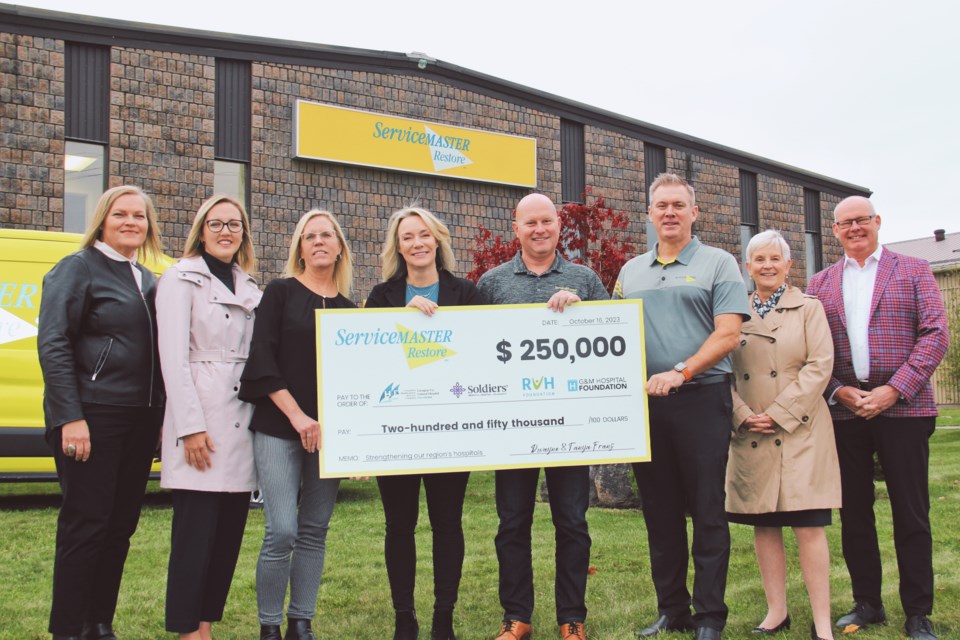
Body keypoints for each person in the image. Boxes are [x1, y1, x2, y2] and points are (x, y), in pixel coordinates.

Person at [612, 172, 749, 640]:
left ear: (695, 213)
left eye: (678, 205)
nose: (669, 213)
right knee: (659, 511)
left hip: (702, 397)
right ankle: (673, 611)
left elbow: (729, 333)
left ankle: (710, 616)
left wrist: (682, 371)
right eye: (661, 206)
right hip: (647, 405)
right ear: (649, 215)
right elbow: (609, 331)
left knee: (708, 509)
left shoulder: (719, 263)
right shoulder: (630, 272)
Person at [806, 196, 948, 640]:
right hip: (846, 413)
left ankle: (917, 612)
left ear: (877, 222)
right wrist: (836, 390)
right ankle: (868, 603)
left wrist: (893, 389)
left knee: (911, 512)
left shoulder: (914, 269)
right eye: (845, 223)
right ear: (834, 230)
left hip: (904, 408)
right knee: (854, 515)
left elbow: (935, 333)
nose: (854, 228)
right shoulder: (820, 283)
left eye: (861, 220)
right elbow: (812, 350)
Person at [477, 193, 608, 640]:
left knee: (571, 522)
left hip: (569, 425)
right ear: (515, 226)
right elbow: (474, 351)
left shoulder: (585, 279)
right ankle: (517, 617)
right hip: (512, 427)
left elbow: (611, 341)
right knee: (512, 522)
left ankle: (572, 618)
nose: (539, 229)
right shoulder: (492, 284)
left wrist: (584, 313)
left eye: (547, 221)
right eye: (530, 222)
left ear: (558, 225)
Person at [38, 185, 166, 640]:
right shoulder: (77, 268)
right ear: (103, 220)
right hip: (93, 416)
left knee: (119, 528)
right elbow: (53, 344)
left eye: (140, 216)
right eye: (121, 214)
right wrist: (70, 416)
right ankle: (68, 629)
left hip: (140, 420)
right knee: (86, 525)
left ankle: (99, 623)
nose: (131, 222)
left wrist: (161, 420)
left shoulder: (148, 279)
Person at [365, 206, 488, 640]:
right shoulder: (381, 297)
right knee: (398, 525)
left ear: (437, 240)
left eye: (424, 235)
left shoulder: (467, 293)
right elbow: (366, 359)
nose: (416, 243)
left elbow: (483, 355)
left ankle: (443, 619)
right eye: (407, 237)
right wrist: (399, 319)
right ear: (397, 247)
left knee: (447, 524)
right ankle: (404, 619)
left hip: (451, 431)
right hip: (395, 431)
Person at [239, 209, 356, 640]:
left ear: (340, 246)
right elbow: (263, 359)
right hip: (278, 426)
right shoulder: (281, 293)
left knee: (314, 530)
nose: (319, 241)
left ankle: (300, 622)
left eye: (327, 235)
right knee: (282, 529)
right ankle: (270, 625)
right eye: (310, 237)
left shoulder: (349, 309)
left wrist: (357, 440)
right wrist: (299, 416)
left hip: (331, 435)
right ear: (300, 248)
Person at [725, 230, 839, 640]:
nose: (767, 265)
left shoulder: (809, 308)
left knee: (809, 526)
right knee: (765, 524)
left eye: (776, 259)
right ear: (748, 266)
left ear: (789, 266)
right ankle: (776, 612)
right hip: (750, 430)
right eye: (759, 259)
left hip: (800, 431)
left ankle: (822, 623)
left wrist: (779, 413)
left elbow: (819, 365)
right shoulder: (732, 311)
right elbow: (722, 368)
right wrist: (741, 414)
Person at [157, 195, 262, 640]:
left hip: (242, 421)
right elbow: (173, 358)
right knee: (194, 541)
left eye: (234, 225)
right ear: (201, 231)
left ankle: (205, 628)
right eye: (216, 224)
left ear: (243, 234)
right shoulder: (180, 279)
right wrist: (190, 427)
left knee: (225, 541)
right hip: (201, 418)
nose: (225, 231)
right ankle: (186, 631)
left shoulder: (250, 284)